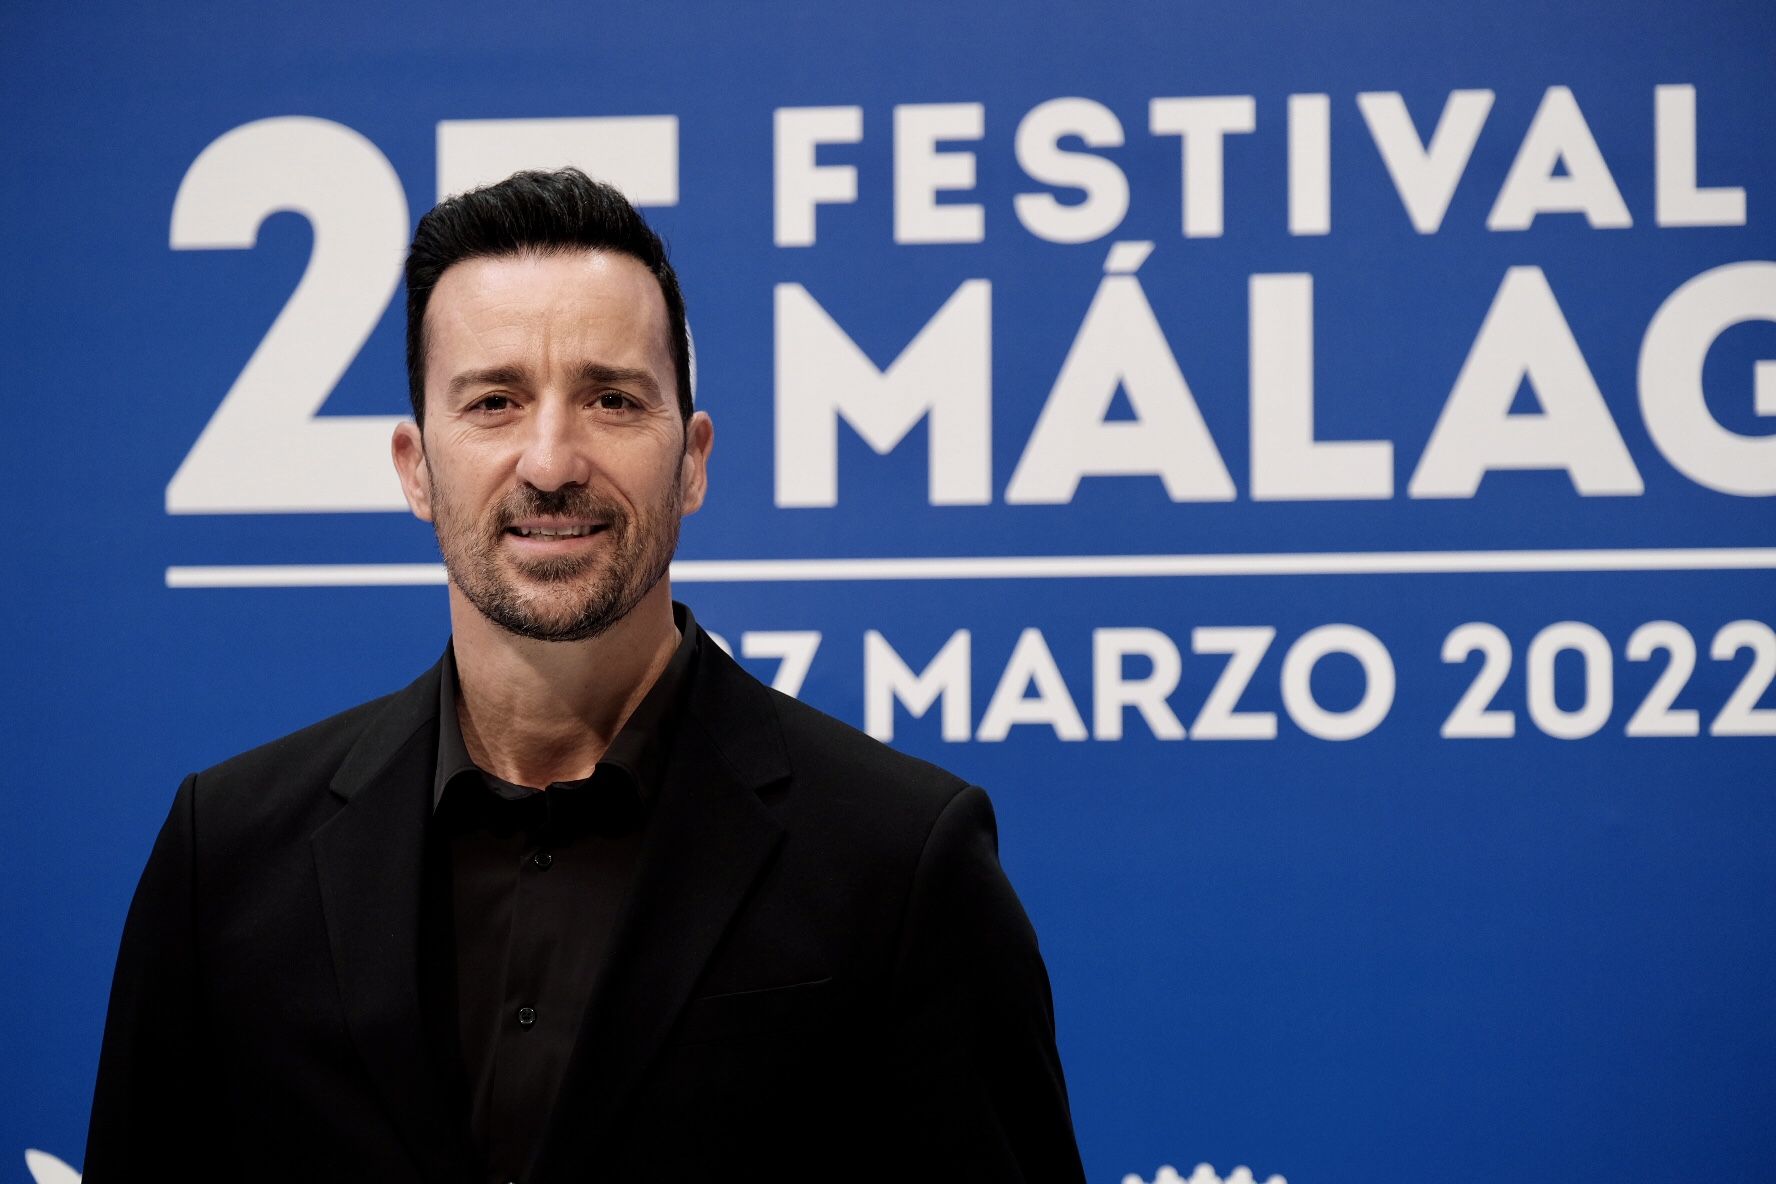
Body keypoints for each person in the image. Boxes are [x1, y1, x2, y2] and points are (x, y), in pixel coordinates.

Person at [84, 168, 1085, 1183]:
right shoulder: (230, 858)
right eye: (494, 401)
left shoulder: (900, 860)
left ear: (692, 458)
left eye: (612, 398)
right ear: (414, 465)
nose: (552, 460)